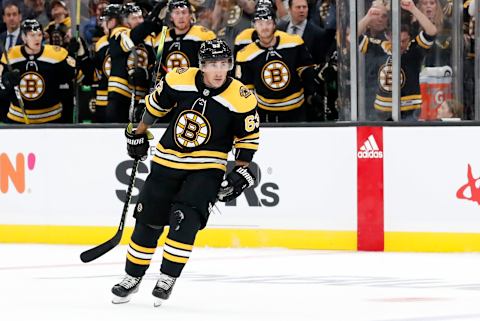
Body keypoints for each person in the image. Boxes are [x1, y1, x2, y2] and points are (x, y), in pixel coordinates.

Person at [111, 39, 260, 306]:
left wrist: (241, 171)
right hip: (166, 162)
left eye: (224, 64)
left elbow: (247, 141)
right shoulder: (178, 79)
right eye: (212, 64)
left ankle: (167, 277)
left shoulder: (242, 98)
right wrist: (137, 134)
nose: (218, 70)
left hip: (206, 169)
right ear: (202, 66)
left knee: (185, 219)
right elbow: (155, 109)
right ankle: (131, 277)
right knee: (147, 223)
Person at [235, 5, 317, 122]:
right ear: (254, 25)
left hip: (296, 108)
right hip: (265, 111)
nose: (264, 27)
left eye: (268, 23)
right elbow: (246, 87)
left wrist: (312, 92)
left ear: (275, 24)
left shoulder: (294, 42)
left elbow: (305, 70)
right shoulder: (245, 54)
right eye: (260, 23)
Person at [358, 0, 437, 121]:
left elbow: (431, 32)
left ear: (409, 38)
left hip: (410, 110)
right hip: (382, 111)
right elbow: (352, 36)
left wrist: (413, 9)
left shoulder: (414, 50)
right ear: (388, 37)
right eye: (396, 40)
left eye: (404, 41)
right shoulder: (380, 47)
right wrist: (368, 17)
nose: (400, 44)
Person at [0, 19, 77, 123]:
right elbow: (1, 85)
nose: (37, 39)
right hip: (18, 119)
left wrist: (78, 54)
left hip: (52, 119)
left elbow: (77, 76)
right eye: (32, 35)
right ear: (23, 37)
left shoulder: (57, 54)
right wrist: (6, 81)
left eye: (39, 35)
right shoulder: (10, 55)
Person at [105, 1, 165, 122]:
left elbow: (154, 64)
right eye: (134, 18)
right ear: (126, 22)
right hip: (120, 94)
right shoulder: (119, 32)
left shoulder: (149, 37)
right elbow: (132, 39)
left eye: (140, 17)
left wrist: (146, 74)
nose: (139, 21)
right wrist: (152, 19)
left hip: (141, 97)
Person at [155, 0, 216, 76]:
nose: (181, 17)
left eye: (184, 12)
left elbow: (215, 66)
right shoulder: (161, 39)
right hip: (169, 86)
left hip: (195, 85)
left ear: (190, 15)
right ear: (171, 17)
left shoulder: (205, 36)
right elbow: (157, 69)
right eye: (177, 13)